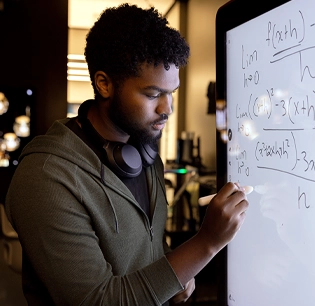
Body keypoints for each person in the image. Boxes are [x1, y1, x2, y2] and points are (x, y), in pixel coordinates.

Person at [5, 3, 249, 305]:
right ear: (104, 84)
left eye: (171, 93)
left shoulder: (145, 152)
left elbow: (148, 246)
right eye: (152, 94)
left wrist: (174, 270)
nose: (167, 109)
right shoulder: (45, 178)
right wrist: (207, 243)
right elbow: (97, 301)